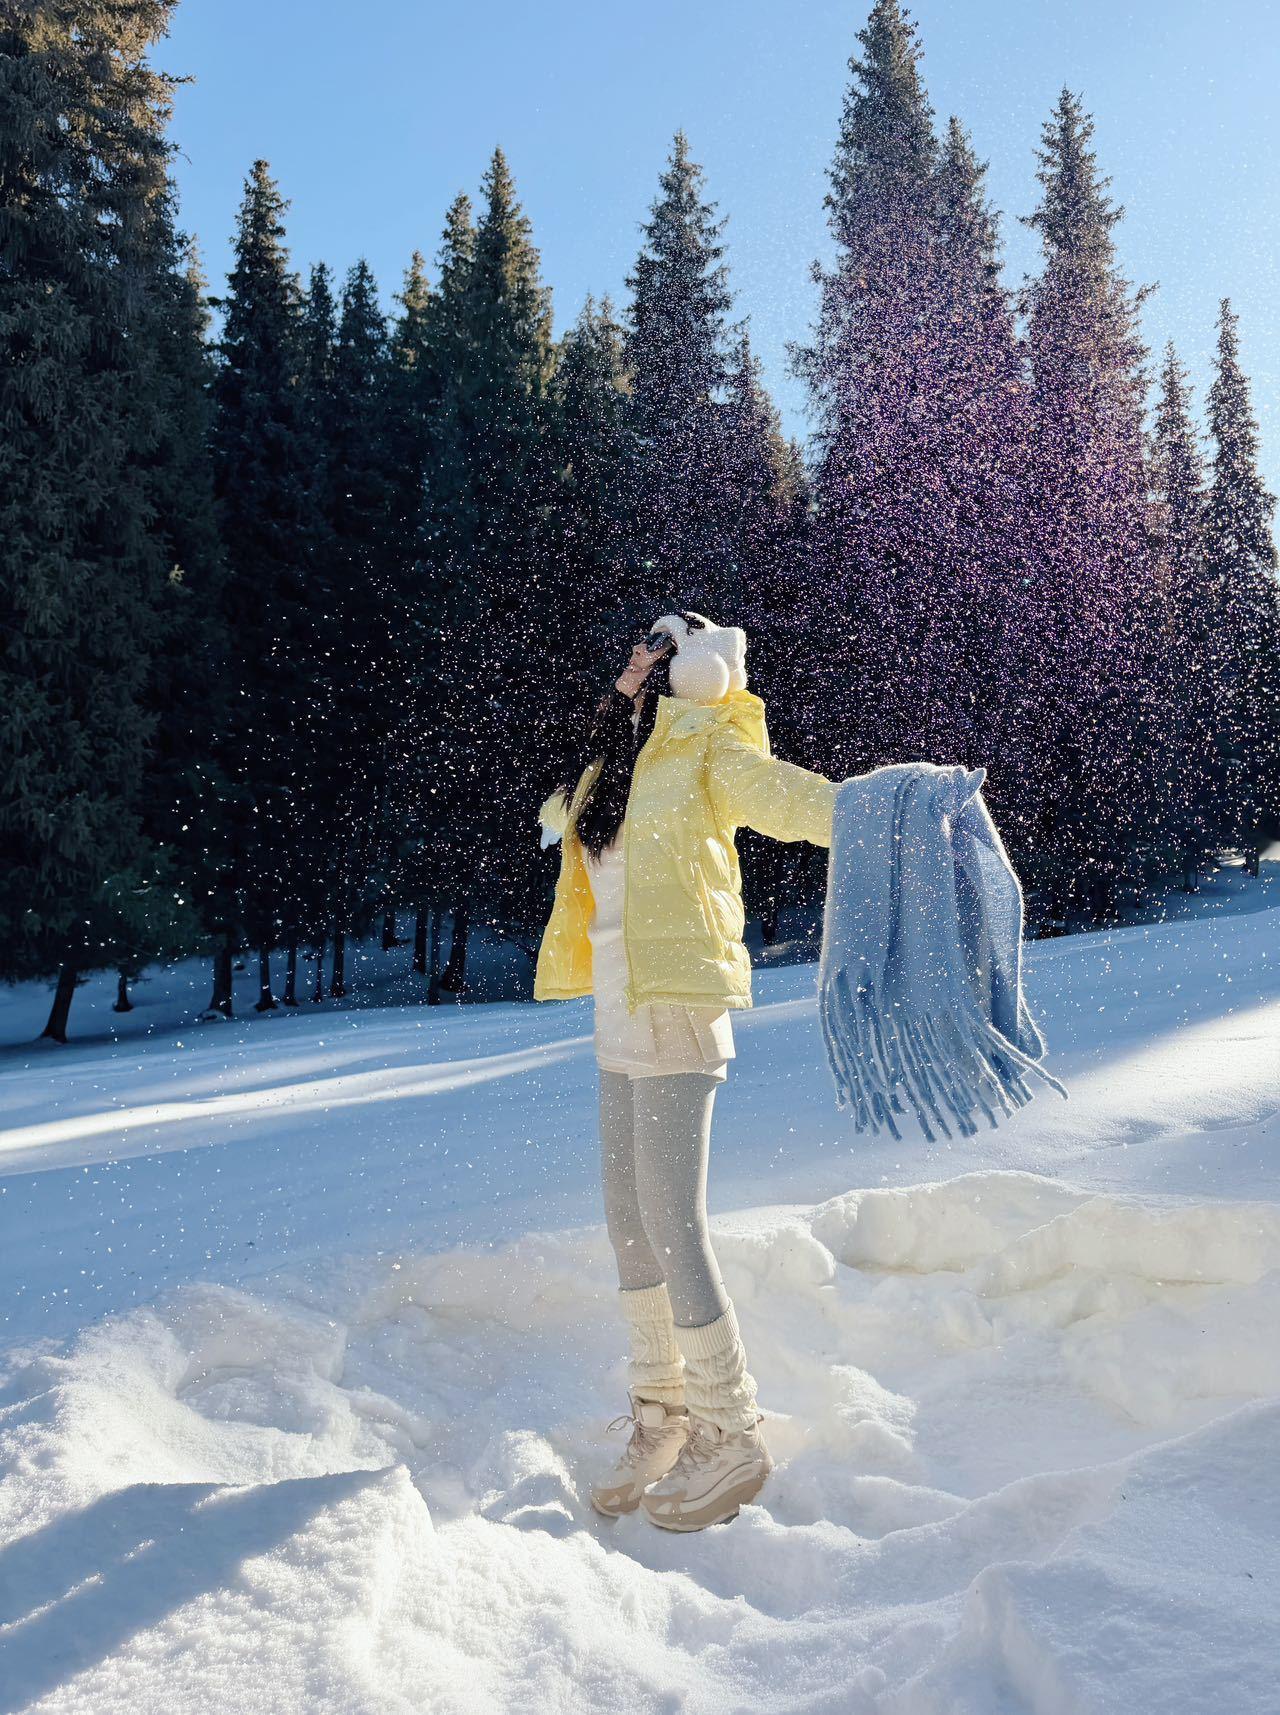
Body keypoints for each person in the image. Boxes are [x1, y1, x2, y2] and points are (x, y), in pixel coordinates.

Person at [534, 609, 844, 1532]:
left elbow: (786, 798)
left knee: (673, 1220)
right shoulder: (623, 765)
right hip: (620, 1007)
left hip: (679, 1001)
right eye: (640, 643)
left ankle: (732, 1428)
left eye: (663, 646)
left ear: (699, 666)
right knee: (628, 1222)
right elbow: (555, 811)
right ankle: (662, 1416)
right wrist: (614, 702)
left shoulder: (710, 746)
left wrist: (876, 804)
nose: (643, 654)